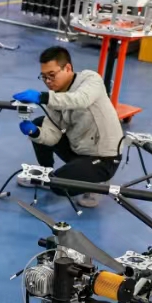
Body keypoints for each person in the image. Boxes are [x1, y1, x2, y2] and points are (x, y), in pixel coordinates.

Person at [14, 46, 124, 209]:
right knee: (39, 122)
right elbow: (52, 135)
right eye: (43, 77)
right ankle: (45, 173)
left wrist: (42, 97)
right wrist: (35, 133)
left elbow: (80, 100)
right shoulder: (54, 97)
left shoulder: (90, 79)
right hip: (79, 151)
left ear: (68, 68)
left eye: (51, 75)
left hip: (104, 158)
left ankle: (98, 182)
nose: (48, 81)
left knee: (59, 187)